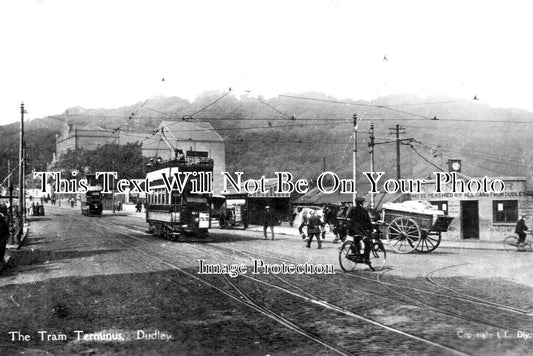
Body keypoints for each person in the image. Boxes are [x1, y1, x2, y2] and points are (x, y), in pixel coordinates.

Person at [347, 197, 372, 263]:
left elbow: (349, 218)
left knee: (356, 241)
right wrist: (370, 229)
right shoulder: (364, 211)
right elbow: (368, 221)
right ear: (362, 203)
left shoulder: (352, 210)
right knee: (367, 243)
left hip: (353, 230)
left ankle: (356, 254)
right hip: (361, 230)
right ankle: (366, 258)